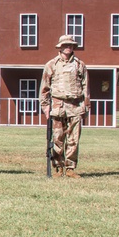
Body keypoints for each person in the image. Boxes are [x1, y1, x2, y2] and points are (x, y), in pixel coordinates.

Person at [40, 35, 89, 178]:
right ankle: (57, 167)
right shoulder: (51, 65)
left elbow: (86, 87)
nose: (68, 47)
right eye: (66, 45)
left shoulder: (80, 65)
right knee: (57, 138)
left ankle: (70, 168)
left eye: (71, 45)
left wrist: (86, 106)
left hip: (75, 106)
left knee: (73, 139)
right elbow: (44, 89)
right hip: (57, 106)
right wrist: (45, 107)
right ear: (60, 46)